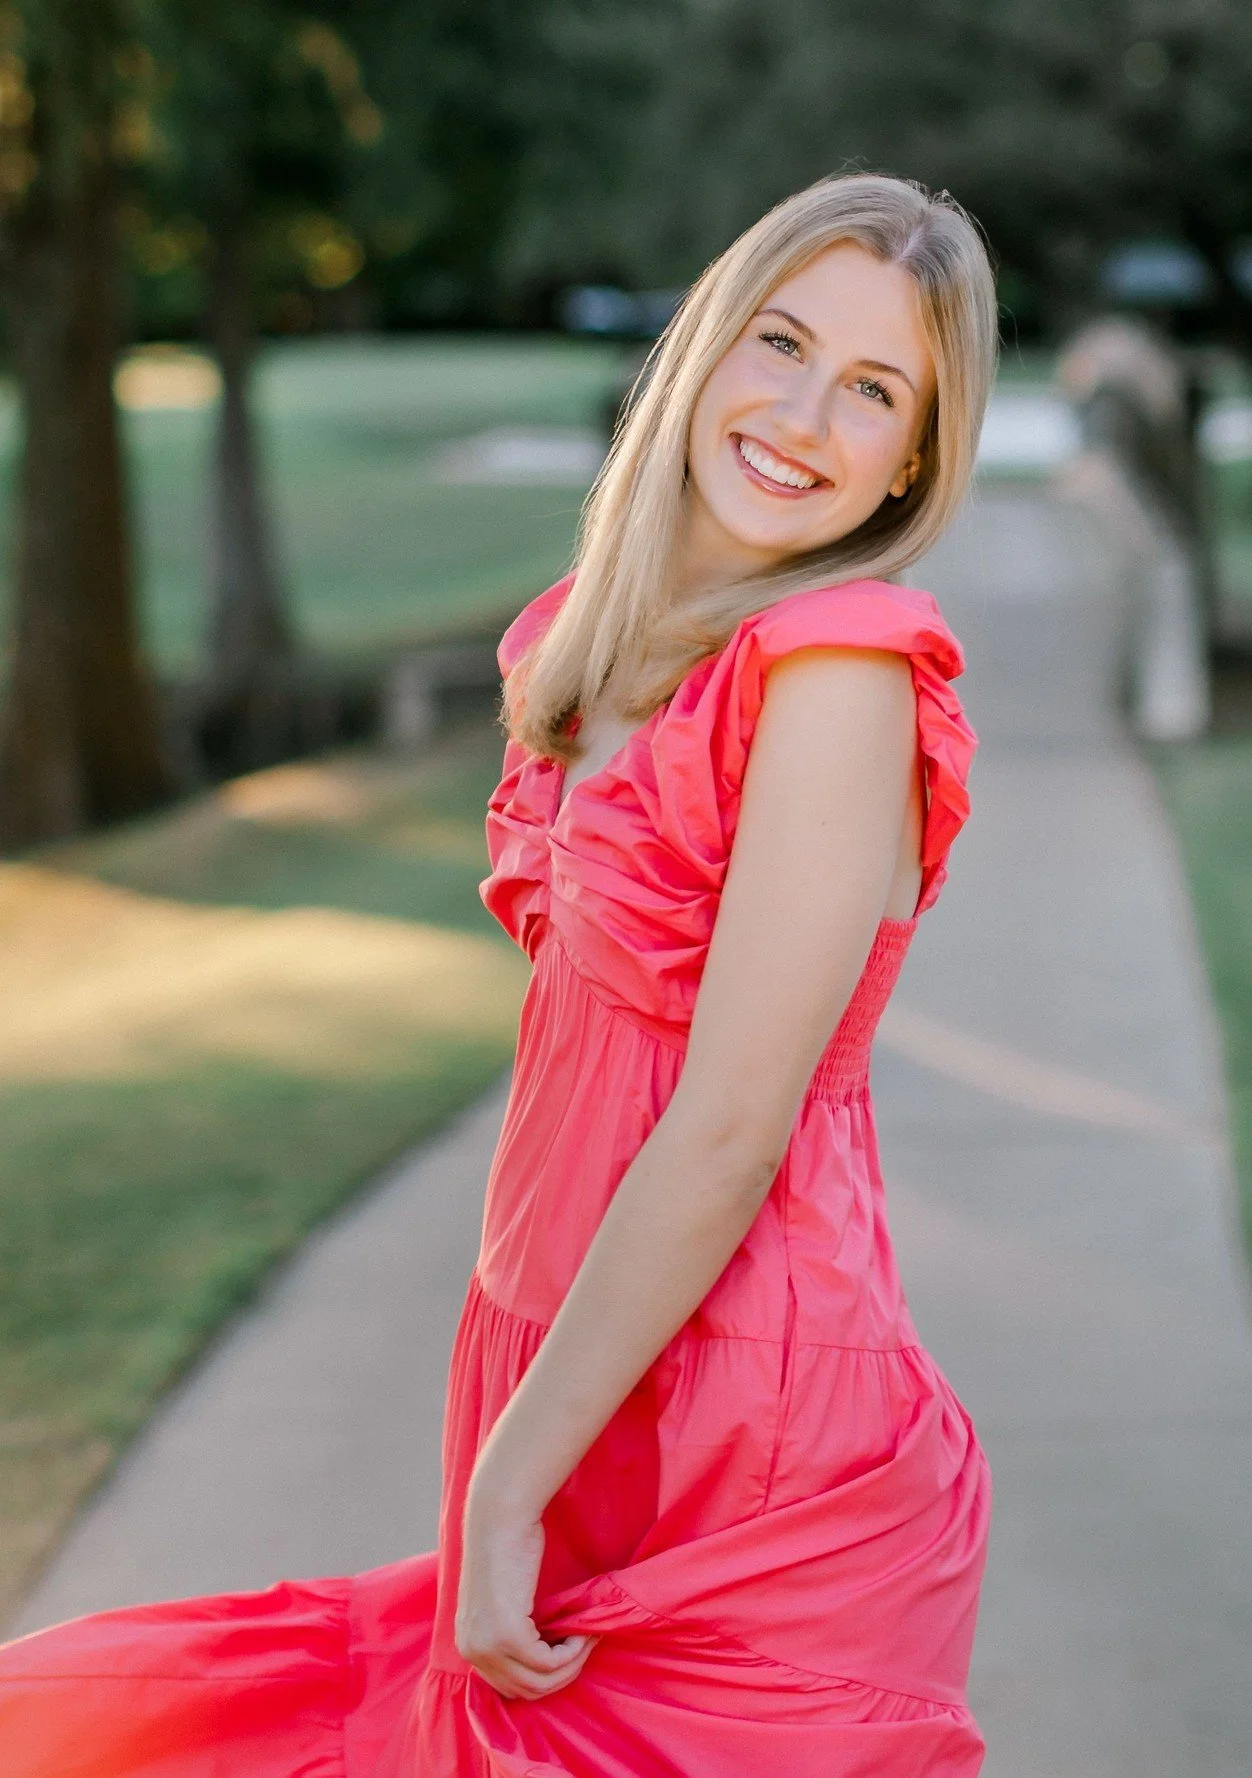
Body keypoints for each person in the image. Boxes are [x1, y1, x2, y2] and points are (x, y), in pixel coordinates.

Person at [0, 171, 997, 1777]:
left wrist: (511, 1477)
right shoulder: (600, 654)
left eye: (874, 390)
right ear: (703, 345)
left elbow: (732, 1124)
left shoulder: (836, 676)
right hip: (574, 1360)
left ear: (913, 462)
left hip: (749, 1440)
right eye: (782, 342)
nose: (807, 413)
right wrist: (529, 1447)